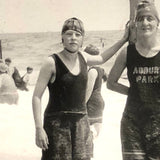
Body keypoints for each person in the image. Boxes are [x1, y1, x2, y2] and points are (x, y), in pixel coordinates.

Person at [32, 17, 129, 160]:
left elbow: (102, 58)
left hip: (81, 123)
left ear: (82, 39)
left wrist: (123, 39)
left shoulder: (84, 57)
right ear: (62, 37)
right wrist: (39, 129)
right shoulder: (51, 62)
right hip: (57, 125)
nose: (73, 38)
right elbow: (36, 97)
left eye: (78, 35)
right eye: (69, 34)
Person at [107, 2, 160, 160]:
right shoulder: (127, 53)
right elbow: (111, 83)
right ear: (135, 24)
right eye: (141, 19)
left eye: (150, 18)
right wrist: (134, 92)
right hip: (132, 124)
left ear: (157, 23)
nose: (145, 23)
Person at [84, 44, 107, 139]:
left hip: (92, 102)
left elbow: (89, 90)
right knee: (96, 131)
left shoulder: (92, 71)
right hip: (99, 100)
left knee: (88, 130)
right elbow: (104, 80)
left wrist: (82, 103)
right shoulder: (101, 69)